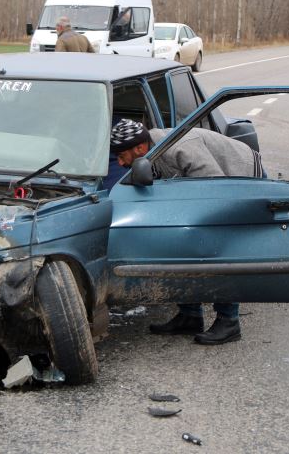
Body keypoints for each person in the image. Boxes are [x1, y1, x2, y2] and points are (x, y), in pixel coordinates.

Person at [105, 118, 264, 345]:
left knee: (221, 250)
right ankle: (190, 315)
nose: (119, 163)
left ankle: (229, 321)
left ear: (139, 148)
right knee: (177, 245)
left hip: (239, 178)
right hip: (207, 187)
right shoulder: (149, 152)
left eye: (122, 156)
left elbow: (217, 191)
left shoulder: (179, 148)